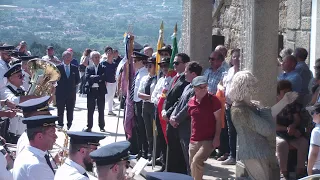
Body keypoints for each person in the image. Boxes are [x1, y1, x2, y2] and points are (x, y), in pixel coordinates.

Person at [229, 71, 298, 180]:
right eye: (252, 84)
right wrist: (263, 109)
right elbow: (267, 129)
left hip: (257, 151)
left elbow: (268, 115)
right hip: (253, 153)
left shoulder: (247, 105)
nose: (255, 86)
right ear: (245, 87)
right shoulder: (241, 110)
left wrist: (284, 101)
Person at [169, 61, 203, 175]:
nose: (184, 74)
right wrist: (173, 115)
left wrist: (177, 119)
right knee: (186, 159)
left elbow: (189, 106)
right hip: (181, 127)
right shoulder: (188, 86)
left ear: (193, 74)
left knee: (191, 160)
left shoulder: (197, 88)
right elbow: (180, 103)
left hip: (189, 127)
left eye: (186, 71)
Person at [187, 76, 221, 180]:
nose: (204, 89)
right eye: (201, 87)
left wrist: (217, 137)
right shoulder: (191, 102)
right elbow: (192, 121)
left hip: (208, 139)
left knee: (197, 161)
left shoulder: (213, 100)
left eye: (205, 87)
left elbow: (219, 120)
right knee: (192, 165)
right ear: (195, 89)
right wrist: (190, 138)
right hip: (194, 140)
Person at [162, 53, 190, 174]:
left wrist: (168, 114)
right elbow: (167, 98)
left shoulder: (186, 81)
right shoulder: (175, 78)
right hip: (169, 117)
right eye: (173, 63)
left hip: (177, 120)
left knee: (178, 152)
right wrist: (163, 109)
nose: (174, 65)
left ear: (185, 64)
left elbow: (179, 101)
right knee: (171, 148)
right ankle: (169, 172)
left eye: (177, 63)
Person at [276, 80, 308, 179]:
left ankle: (300, 171)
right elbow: (273, 125)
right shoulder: (274, 105)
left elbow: (297, 119)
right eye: (284, 92)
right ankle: (283, 173)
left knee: (303, 142)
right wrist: (287, 129)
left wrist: (293, 126)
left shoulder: (292, 104)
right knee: (282, 144)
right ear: (278, 93)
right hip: (278, 133)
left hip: (291, 133)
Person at [12, 115, 59, 180]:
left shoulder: (26, 153)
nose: (56, 137)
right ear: (39, 136)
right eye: (52, 133)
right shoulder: (37, 165)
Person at [220, 49, 240, 165]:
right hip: (228, 105)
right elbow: (223, 83)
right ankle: (232, 155)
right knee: (231, 131)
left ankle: (240, 156)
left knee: (240, 131)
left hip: (239, 106)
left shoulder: (242, 72)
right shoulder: (229, 71)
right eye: (234, 57)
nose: (236, 59)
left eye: (238, 57)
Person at [138, 56, 157, 161]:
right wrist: (150, 97)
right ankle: (149, 153)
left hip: (154, 106)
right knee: (148, 131)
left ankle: (155, 153)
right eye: (147, 66)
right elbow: (139, 93)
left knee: (155, 131)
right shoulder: (145, 78)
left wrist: (151, 98)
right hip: (145, 106)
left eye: (150, 66)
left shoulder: (158, 78)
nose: (148, 68)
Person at [130, 51, 149, 159]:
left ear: (142, 61)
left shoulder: (145, 73)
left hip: (141, 103)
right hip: (136, 103)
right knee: (138, 129)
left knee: (143, 129)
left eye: (136, 61)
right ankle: (141, 151)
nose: (134, 62)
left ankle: (145, 152)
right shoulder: (138, 72)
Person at [56, 51, 80, 130]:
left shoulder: (74, 68)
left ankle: (70, 124)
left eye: (70, 57)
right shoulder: (58, 68)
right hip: (60, 93)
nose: (69, 58)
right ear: (63, 57)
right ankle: (60, 124)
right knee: (60, 109)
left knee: (70, 110)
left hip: (71, 93)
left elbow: (78, 80)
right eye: (67, 56)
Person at [83, 51, 107, 132]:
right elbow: (87, 77)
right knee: (90, 109)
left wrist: (93, 78)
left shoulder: (103, 67)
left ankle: (102, 126)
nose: (97, 59)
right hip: (91, 91)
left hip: (100, 91)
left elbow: (104, 77)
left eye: (98, 57)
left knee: (101, 109)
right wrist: (98, 78)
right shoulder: (88, 68)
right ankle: (89, 126)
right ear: (92, 59)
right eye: (95, 57)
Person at [101, 47, 118, 116]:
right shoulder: (103, 63)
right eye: (108, 53)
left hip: (113, 81)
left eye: (111, 53)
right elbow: (101, 73)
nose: (109, 54)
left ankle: (110, 110)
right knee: (108, 96)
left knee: (112, 96)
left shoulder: (114, 64)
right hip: (106, 82)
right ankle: (100, 106)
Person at [307, 103, 320, 175]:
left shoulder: (316, 131)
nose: (312, 115)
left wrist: (309, 172)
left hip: (317, 170)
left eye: (313, 112)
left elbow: (314, 154)